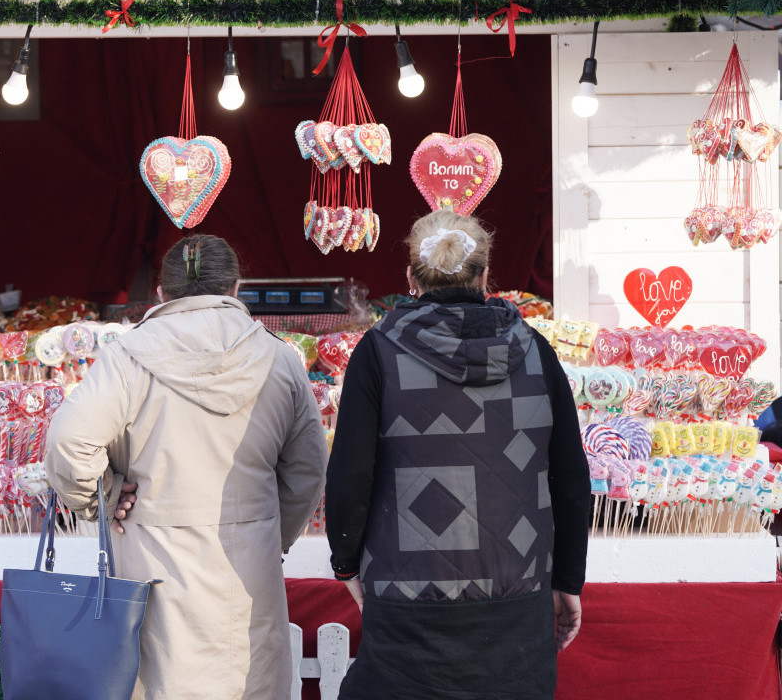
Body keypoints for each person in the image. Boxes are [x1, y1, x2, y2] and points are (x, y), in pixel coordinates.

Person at [46, 234, 328, 700]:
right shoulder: (279, 357)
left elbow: (67, 442)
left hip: (152, 563)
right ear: (235, 288)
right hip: (248, 566)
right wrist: (270, 533)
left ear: (162, 292)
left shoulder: (126, 356)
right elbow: (308, 470)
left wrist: (105, 498)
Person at [326, 210, 591, 700]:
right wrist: (569, 579)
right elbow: (571, 478)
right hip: (518, 598)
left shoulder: (378, 353)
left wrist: (345, 563)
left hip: (407, 603)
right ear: (486, 276)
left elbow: (350, 476)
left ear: (410, 279)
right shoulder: (536, 351)